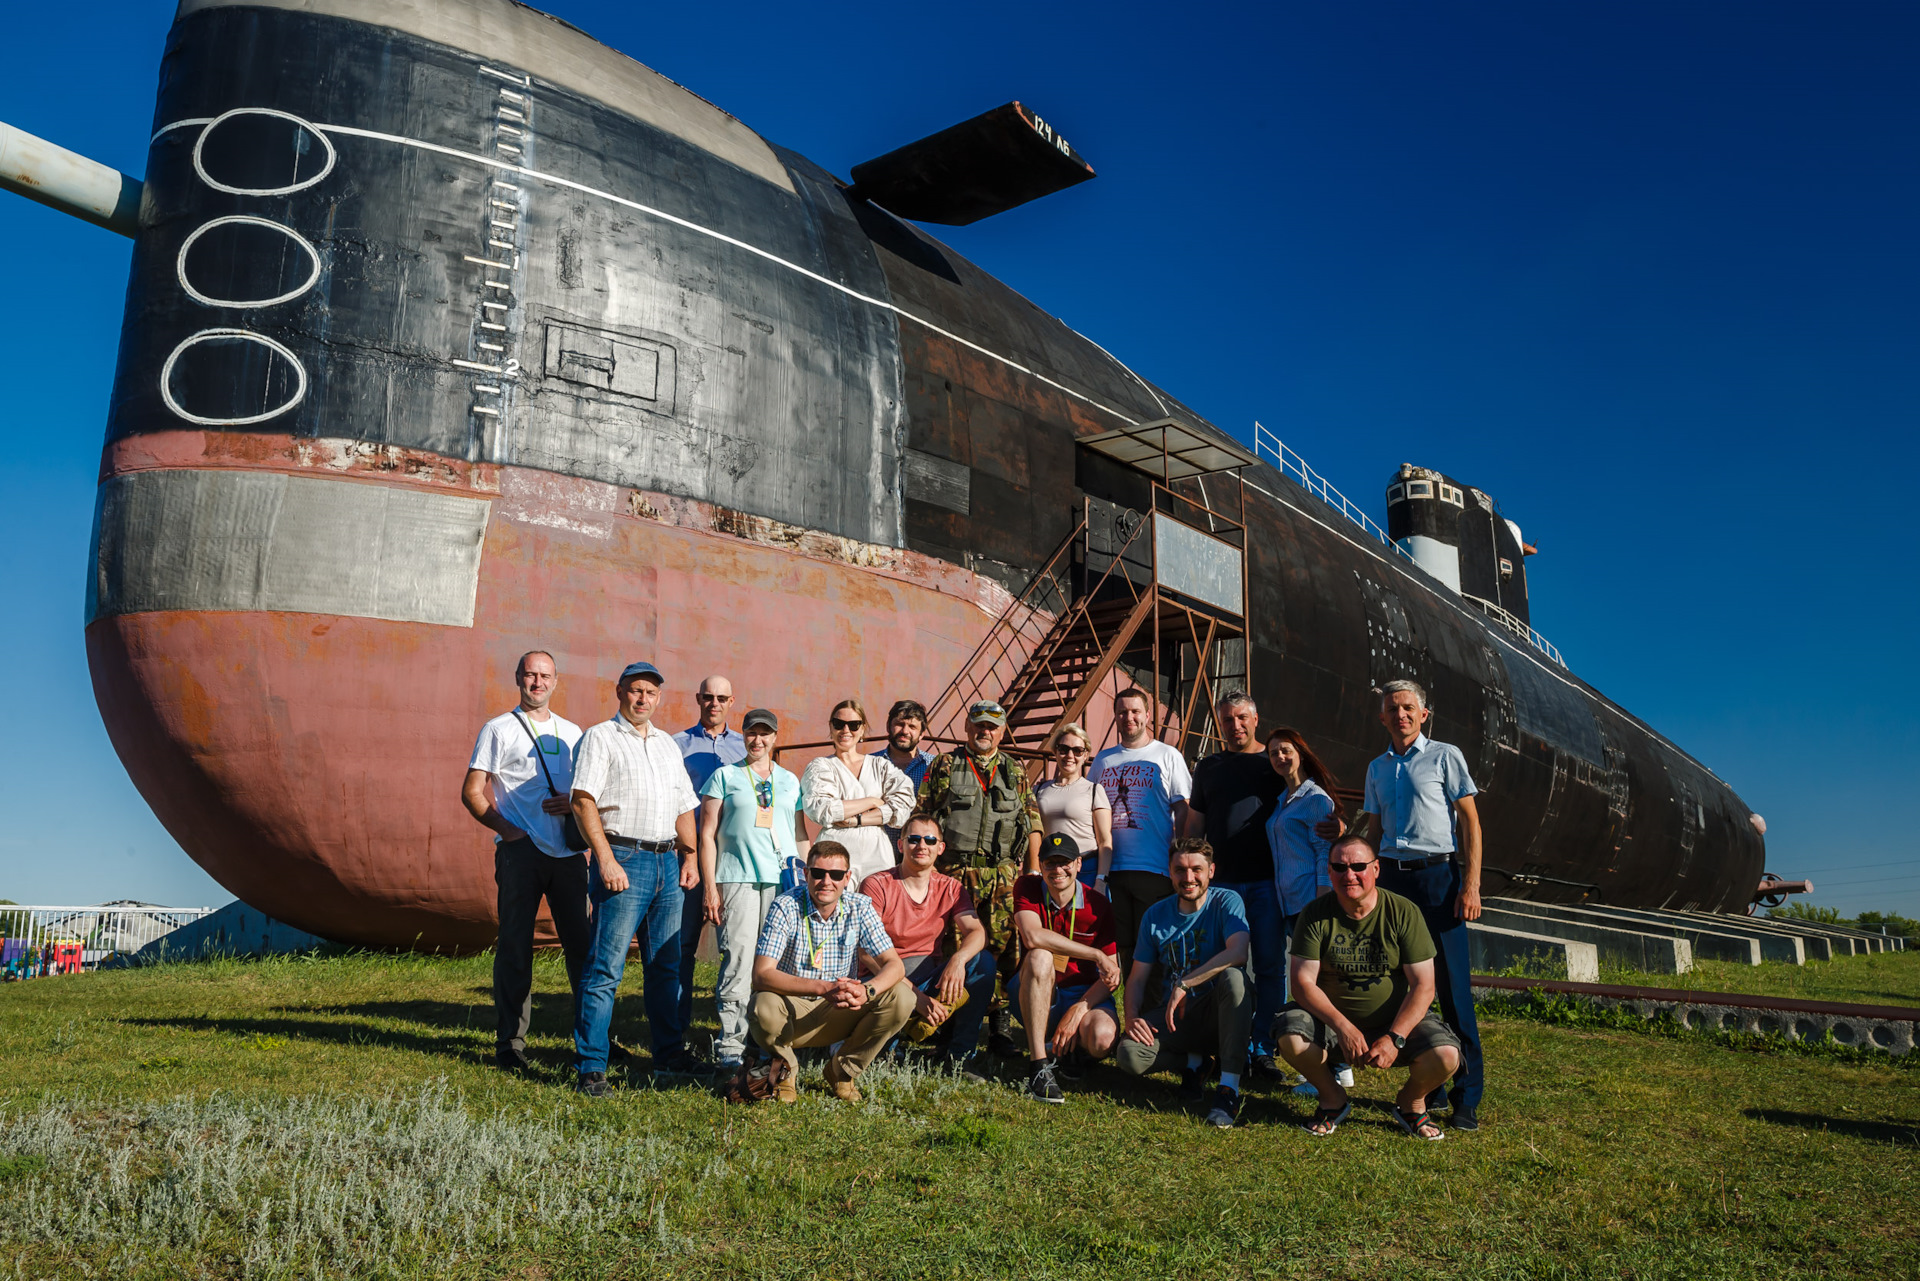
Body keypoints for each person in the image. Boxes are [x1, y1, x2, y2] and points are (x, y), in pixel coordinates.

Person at [1318, 679, 1484, 1129]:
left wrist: (1470, 885)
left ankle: (1466, 1095)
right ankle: (1429, 1087)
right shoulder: (1377, 768)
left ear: (1423, 714)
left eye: (1408, 708)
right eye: (1392, 709)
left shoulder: (1445, 757)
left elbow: (1469, 821)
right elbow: (1373, 831)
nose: (1400, 715)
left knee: (1450, 988)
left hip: (1437, 877)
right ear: (1382, 717)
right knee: (1401, 981)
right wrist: (1353, 867)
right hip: (1390, 878)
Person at [569, 660, 704, 1096]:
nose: (643, 698)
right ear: (620, 692)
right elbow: (583, 799)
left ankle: (668, 1055)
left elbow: (685, 806)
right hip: (624, 856)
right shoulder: (600, 737)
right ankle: (592, 1066)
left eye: (650, 692)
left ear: (659, 698)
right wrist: (605, 860)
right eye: (635, 690)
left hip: (667, 861)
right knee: (605, 967)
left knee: (665, 966)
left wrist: (690, 857)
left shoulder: (667, 744)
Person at [1275, 835, 1463, 1140]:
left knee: (1446, 1055)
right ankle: (1332, 1098)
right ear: (1330, 870)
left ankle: (1411, 1104)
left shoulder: (1404, 912)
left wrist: (1394, 1038)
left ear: (1376, 869)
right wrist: (1344, 1027)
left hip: (1394, 1023)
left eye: (1359, 866)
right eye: (1340, 867)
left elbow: (1424, 986)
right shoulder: (1314, 914)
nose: (1350, 875)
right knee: (1290, 1036)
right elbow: (1302, 983)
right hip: (1334, 1025)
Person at [461, 650, 589, 1074]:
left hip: (569, 854)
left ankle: (592, 1040)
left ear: (556, 681)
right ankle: (511, 1045)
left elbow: (589, 793)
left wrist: (571, 803)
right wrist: (511, 831)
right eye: (531, 675)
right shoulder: (498, 729)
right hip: (521, 853)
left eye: (545, 676)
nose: (538, 682)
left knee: (582, 949)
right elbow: (473, 792)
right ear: (518, 677)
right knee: (516, 947)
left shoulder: (574, 733)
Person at [916, 699, 1044, 1057]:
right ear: (967, 728)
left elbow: (1032, 821)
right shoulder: (945, 765)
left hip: (1001, 873)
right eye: (979, 725)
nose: (985, 731)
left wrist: (1032, 869)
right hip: (954, 871)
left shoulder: (1015, 771)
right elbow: (923, 814)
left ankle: (999, 1026)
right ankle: (950, 1020)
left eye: (992, 726)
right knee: (955, 946)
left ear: (1002, 731)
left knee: (1003, 947)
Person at [749, 841, 916, 1102]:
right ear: (806, 874)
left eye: (836, 875)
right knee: (762, 1005)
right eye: (818, 873)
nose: (826, 881)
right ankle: (785, 1070)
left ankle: (842, 1071)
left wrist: (866, 990)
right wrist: (823, 987)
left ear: (847, 878)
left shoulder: (860, 907)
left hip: (840, 1009)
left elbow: (895, 965)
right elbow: (761, 974)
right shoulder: (786, 905)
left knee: (903, 997)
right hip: (792, 1010)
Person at [697, 707, 807, 1073]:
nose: (758, 740)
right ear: (742, 735)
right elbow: (707, 834)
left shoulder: (791, 780)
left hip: (783, 882)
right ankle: (731, 1045)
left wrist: (806, 879)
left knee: (779, 962)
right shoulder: (724, 776)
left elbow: (800, 833)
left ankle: (771, 1041)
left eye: (765, 733)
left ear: (776, 737)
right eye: (751, 733)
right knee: (740, 960)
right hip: (738, 877)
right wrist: (710, 886)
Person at [1184, 691, 1286, 1078]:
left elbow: (1309, 798)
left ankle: (1261, 1050)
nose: (1235, 726)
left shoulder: (1273, 762)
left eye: (1242, 718)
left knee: (1270, 966)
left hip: (1265, 883)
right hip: (1221, 889)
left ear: (1256, 719)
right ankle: (1221, 1044)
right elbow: (1195, 825)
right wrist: (1185, 871)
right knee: (1216, 966)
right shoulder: (1208, 767)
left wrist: (1335, 826)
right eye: (1228, 720)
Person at [1117, 838, 1251, 1128]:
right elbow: (1137, 978)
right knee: (1129, 1055)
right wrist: (1131, 1018)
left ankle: (1228, 1088)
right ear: (1169, 871)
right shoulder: (1155, 915)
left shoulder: (1226, 902)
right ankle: (1196, 1063)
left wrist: (1185, 983)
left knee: (1234, 977)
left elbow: (1238, 952)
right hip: (1173, 1017)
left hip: (1218, 1013)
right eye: (1180, 870)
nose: (1188, 878)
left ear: (1211, 871)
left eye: (1196, 870)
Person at [860, 815, 995, 1073]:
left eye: (930, 840)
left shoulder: (951, 888)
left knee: (983, 963)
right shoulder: (876, 885)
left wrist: (958, 960)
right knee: (884, 1056)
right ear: (900, 845)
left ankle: (959, 1058)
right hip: (886, 981)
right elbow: (866, 953)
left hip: (926, 979)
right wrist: (917, 997)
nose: (922, 845)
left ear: (940, 848)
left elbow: (977, 932)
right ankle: (890, 1045)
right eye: (913, 839)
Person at [1009, 833, 1121, 1103]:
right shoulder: (1027, 886)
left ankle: (1072, 1051)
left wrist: (1080, 1009)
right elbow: (1033, 936)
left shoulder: (1098, 904)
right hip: (1036, 988)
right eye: (1050, 863)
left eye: (1065, 862)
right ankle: (1039, 1065)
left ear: (1079, 864)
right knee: (1040, 956)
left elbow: (1112, 976)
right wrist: (1094, 953)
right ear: (1041, 865)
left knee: (1102, 1038)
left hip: (1081, 993)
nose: (1058, 870)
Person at [1090, 688, 1192, 977]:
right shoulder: (1103, 760)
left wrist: (1178, 853)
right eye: (1122, 712)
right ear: (1116, 717)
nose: (1129, 717)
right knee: (1122, 944)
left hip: (1154, 867)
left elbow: (1182, 808)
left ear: (1148, 715)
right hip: (1112, 869)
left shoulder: (1167, 755)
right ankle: (1128, 1008)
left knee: (1154, 944)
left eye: (1135, 711)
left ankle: (1153, 1012)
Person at [672, 676, 746, 1054]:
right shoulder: (676, 745)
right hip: (689, 860)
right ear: (698, 698)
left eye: (721, 698)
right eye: (707, 697)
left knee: (737, 946)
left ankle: (735, 1033)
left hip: (733, 863)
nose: (714, 703)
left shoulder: (744, 745)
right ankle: (676, 1029)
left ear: (731, 702)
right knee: (682, 944)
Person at [799, 698, 917, 886]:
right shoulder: (821, 766)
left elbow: (902, 807)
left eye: (853, 725)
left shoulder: (880, 766)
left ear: (862, 729)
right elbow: (823, 809)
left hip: (877, 852)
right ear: (831, 727)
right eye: (839, 724)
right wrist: (872, 801)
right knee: (834, 907)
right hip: (833, 850)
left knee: (877, 907)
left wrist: (855, 820)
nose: (846, 730)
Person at [1034, 723, 1113, 892]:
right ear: (1055, 751)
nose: (1070, 755)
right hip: (1051, 869)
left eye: (1077, 751)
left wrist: (1101, 879)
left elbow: (1105, 840)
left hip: (1086, 869)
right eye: (1063, 749)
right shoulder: (1039, 789)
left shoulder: (1094, 790)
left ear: (1085, 755)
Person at [873, 699, 936, 843]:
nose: (905, 731)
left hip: (919, 852)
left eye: (912, 726)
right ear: (888, 727)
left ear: (921, 734)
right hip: (876, 853)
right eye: (899, 724)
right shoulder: (868, 763)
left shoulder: (934, 766)